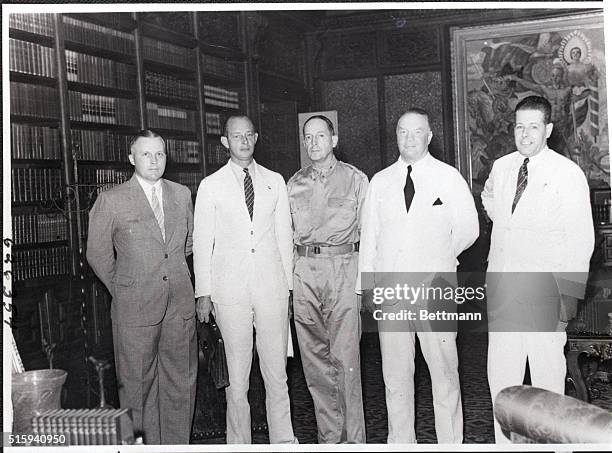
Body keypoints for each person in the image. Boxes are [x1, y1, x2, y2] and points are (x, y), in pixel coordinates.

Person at [359, 108, 479, 443]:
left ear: (429, 136)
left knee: (444, 372)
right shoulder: (380, 181)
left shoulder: (448, 177)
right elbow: (370, 236)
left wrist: (438, 256)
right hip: (391, 290)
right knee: (395, 377)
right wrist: (368, 286)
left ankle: (450, 444)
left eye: (416, 132)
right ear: (395, 136)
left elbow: (469, 229)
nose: (409, 139)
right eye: (402, 132)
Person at [481, 95, 594, 443]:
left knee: (546, 377)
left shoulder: (567, 173)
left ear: (548, 129)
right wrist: (507, 224)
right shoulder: (501, 168)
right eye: (519, 127)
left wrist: (570, 293)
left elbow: (581, 238)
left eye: (533, 127)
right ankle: (505, 447)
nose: (525, 134)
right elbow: (489, 198)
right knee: (501, 378)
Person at [86, 129, 197, 445]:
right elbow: (97, 253)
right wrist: (125, 287)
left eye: (160, 154)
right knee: (137, 388)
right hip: (134, 310)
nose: (154, 160)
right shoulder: (111, 200)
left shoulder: (181, 194)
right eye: (146, 154)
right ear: (132, 158)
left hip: (178, 307)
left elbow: (187, 244)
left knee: (181, 385)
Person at [192, 115, 297, 444]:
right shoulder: (211, 185)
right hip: (229, 292)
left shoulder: (275, 181)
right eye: (236, 136)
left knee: (276, 374)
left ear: (256, 138)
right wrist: (203, 294)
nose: (243, 141)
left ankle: (284, 441)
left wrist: (290, 289)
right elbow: (202, 243)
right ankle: (239, 445)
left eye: (249, 135)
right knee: (236, 379)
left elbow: (284, 238)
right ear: (225, 142)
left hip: (272, 289)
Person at [287, 115, 368, 443]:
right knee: (315, 362)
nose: (314, 142)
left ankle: (354, 441)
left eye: (321, 135)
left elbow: (370, 233)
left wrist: (364, 283)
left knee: (346, 359)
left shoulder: (356, 180)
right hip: (305, 271)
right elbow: (286, 236)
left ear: (334, 139)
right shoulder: (293, 184)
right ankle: (329, 439)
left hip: (343, 268)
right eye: (308, 137)